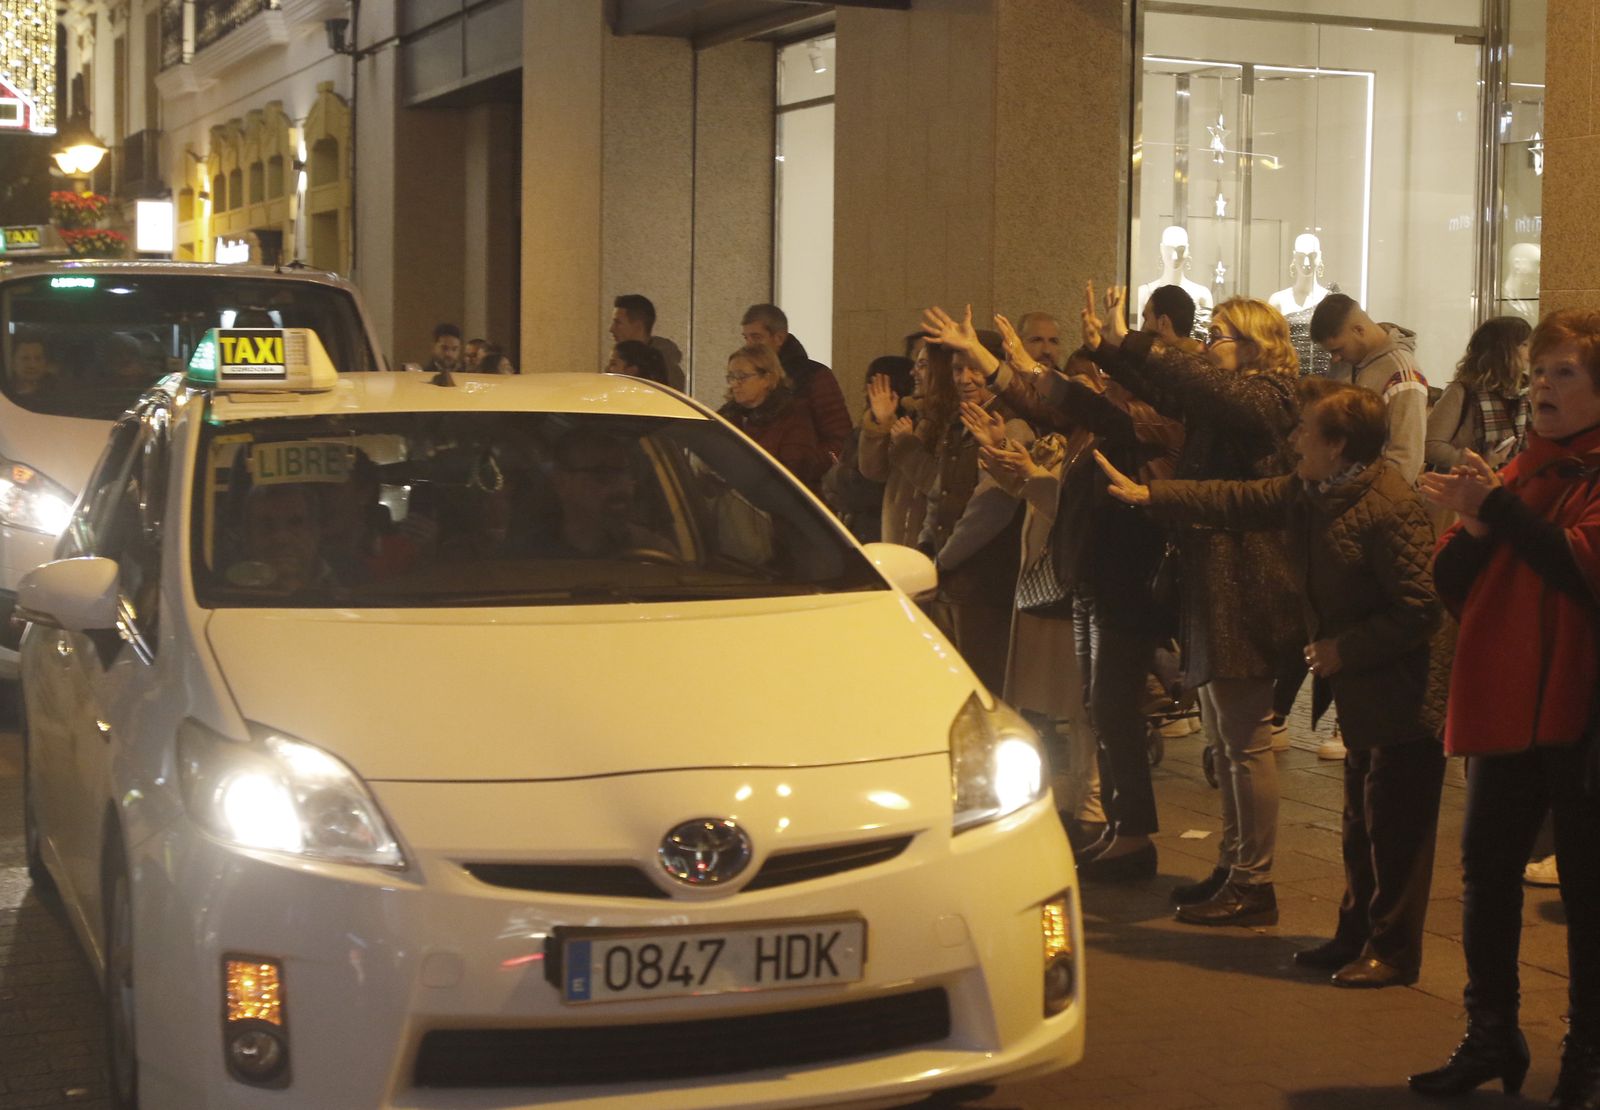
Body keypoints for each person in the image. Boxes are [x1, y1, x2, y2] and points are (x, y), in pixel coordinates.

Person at [1101, 378, 1446, 984]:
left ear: (1337, 444)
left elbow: (1421, 608)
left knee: (1395, 828)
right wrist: (1151, 492)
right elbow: (1238, 497)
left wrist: (1345, 648)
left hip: (1403, 692)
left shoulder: (1389, 505)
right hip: (1366, 686)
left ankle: (1392, 951)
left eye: (1304, 430)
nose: (1293, 440)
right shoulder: (1316, 489)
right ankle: (1353, 935)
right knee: (1361, 819)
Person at [1410, 309, 1600, 1108]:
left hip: (1582, 713)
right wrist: (1473, 520)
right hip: (1505, 707)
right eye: (1537, 373)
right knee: (1486, 876)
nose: (1543, 387)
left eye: (1563, 373)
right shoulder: (1520, 466)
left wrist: (1502, 512)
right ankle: (1492, 1033)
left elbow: (1578, 566)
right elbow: (1452, 586)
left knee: (1589, 892)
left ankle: (1587, 1051)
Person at [1085, 282, 1301, 927]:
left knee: (1246, 742)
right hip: (1217, 585)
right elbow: (1171, 391)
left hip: (1249, 587)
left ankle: (1254, 881)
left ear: (1258, 345)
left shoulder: (1269, 398)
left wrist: (1134, 341)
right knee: (1225, 740)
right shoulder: (1228, 403)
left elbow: (1202, 389)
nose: (1208, 348)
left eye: (1220, 337)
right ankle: (1233, 865)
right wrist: (1111, 351)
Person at [914, 328, 1033, 695]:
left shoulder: (1012, 424)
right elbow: (939, 492)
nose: (964, 379)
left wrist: (943, 561)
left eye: (974, 370)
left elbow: (991, 507)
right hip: (951, 582)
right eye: (956, 370)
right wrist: (924, 550)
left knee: (985, 689)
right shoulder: (959, 421)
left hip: (986, 584)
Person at [1310, 294, 1428, 487]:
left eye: (1338, 350)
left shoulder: (1403, 373)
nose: (1335, 359)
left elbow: (1404, 458)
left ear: (1359, 330)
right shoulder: (1347, 364)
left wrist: (1374, 504)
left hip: (1373, 501)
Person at [858, 338, 956, 545]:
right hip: (898, 546)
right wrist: (881, 423)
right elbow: (874, 471)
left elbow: (940, 487)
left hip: (929, 550)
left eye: (922, 366)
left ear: (942, 371)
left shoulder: (953, 424)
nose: (913, 373)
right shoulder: (914, 417)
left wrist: (906, 444)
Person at [741, 304, 852, 464]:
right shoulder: (752, 378)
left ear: (778, 338)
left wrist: (802, 464)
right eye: (746, 338)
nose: (749, 345)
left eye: (756, 337)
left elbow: (839, 438)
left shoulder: (814, 376)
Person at [822, 355, 912, 542]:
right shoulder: (862, 431)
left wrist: (837, 475)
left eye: (874, 387)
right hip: (860, 531)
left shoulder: (905, 432)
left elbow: (864, 490)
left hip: (882, 535)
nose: (866, 393)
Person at [1427, 315, 1532, 475]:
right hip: (1463, 489)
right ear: (1503, 350)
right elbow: (1430, 445)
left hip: (1511, 487)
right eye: (1524, 344)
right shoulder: (1462, 391)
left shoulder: (1527, 393)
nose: (1529, 352)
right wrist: (1478, 462)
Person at [718, 344, 832, 491]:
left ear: (767, 379)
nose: (734, 384)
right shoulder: (727, 417)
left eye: (742, 377)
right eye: (731, 377)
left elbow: (793, 473)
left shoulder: (792, 417)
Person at [236, 484, 326, 594]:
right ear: (247, 536)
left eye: (295, 523)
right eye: (267, 525)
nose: (281, 539)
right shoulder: (220, 598)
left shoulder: (348, 595)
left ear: (315, 532)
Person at [611, 294, 685, 390]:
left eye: (618, 322)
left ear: (638, 326)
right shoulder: (620, 358)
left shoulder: (666, 369)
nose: (611, 329)